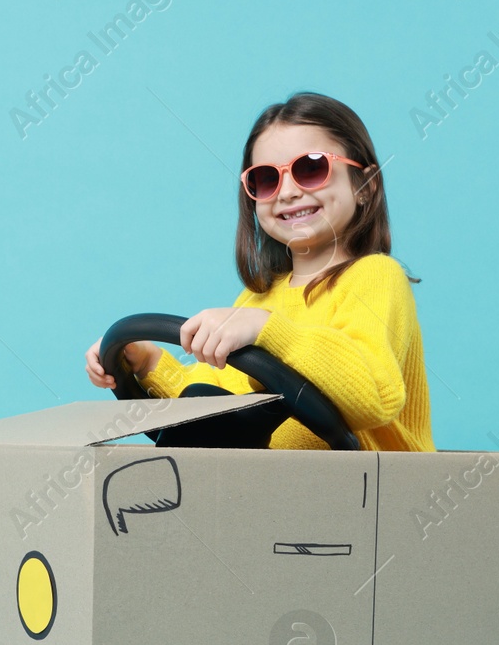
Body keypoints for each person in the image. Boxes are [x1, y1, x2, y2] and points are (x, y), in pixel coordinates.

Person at [84, 91, 435, 451]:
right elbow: (219, 404)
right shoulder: (259, 298)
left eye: (311, 168)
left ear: (365, 185)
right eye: (267, 179)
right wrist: (147, 361)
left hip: (371, 495)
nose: (287, 192)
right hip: (276, 491)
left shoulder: (376, 276)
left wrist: (267, 329)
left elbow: (372, 395)